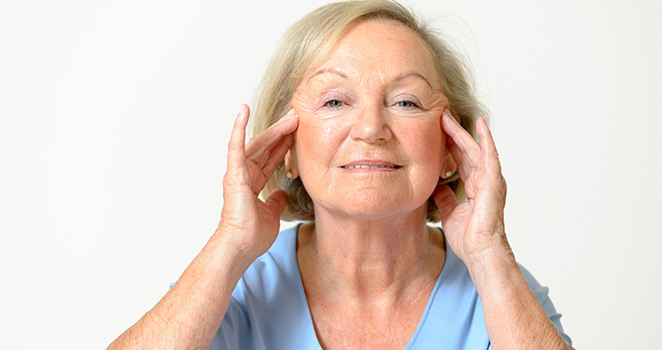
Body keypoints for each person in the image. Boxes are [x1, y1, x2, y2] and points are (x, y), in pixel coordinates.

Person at [109, 0, 573, 349]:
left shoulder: (499, 291)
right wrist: (231, 240)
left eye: (406, 102)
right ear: (285, 148)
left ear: (451, 147)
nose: (371, 128)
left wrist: (491, 253)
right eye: (334, 101)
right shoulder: (237, 286)